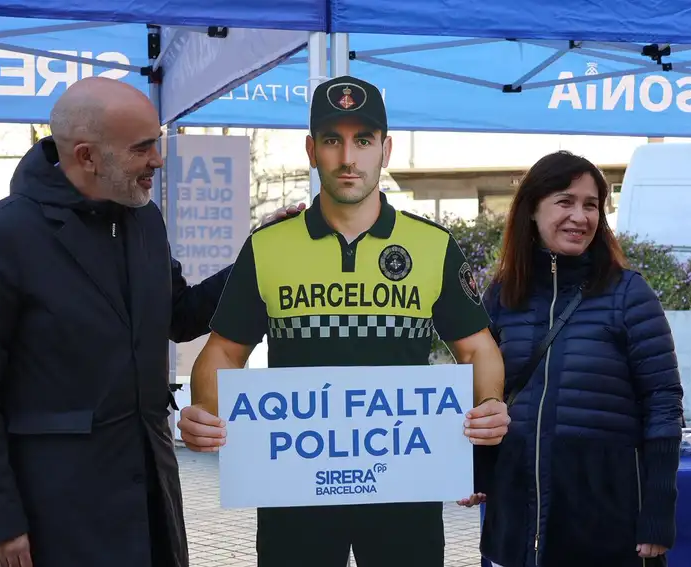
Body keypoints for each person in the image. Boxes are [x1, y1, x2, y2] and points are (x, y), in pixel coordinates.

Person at [177, 74, 510, 567]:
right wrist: (205, 410)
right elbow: (224, 350)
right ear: (311, 150)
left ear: (386, 150)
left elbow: (476, 346)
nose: (348, 157)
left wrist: (490, 403)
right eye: (333, 140)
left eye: (364, 140)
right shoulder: (267, 247)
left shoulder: (432, 245)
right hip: (294, 489)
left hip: (405, 486)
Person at [0, 77, 231, 567]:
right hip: (59, 514)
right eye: (142, 148)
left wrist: (258, 258)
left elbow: (179, 316)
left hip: (153, 504)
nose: (158, 160)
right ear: (87, 156)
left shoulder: (145, 219)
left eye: (157, 143)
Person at [475, 151, 684, 567]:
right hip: (515, 522)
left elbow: (663, 402)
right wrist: (476, 471)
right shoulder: (502, 295)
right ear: (532, 209)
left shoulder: (629, 293)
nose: (580, 216)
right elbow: (481, 393)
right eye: (565, 201)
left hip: (605, 524)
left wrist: (658, 514)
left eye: (591, 205)